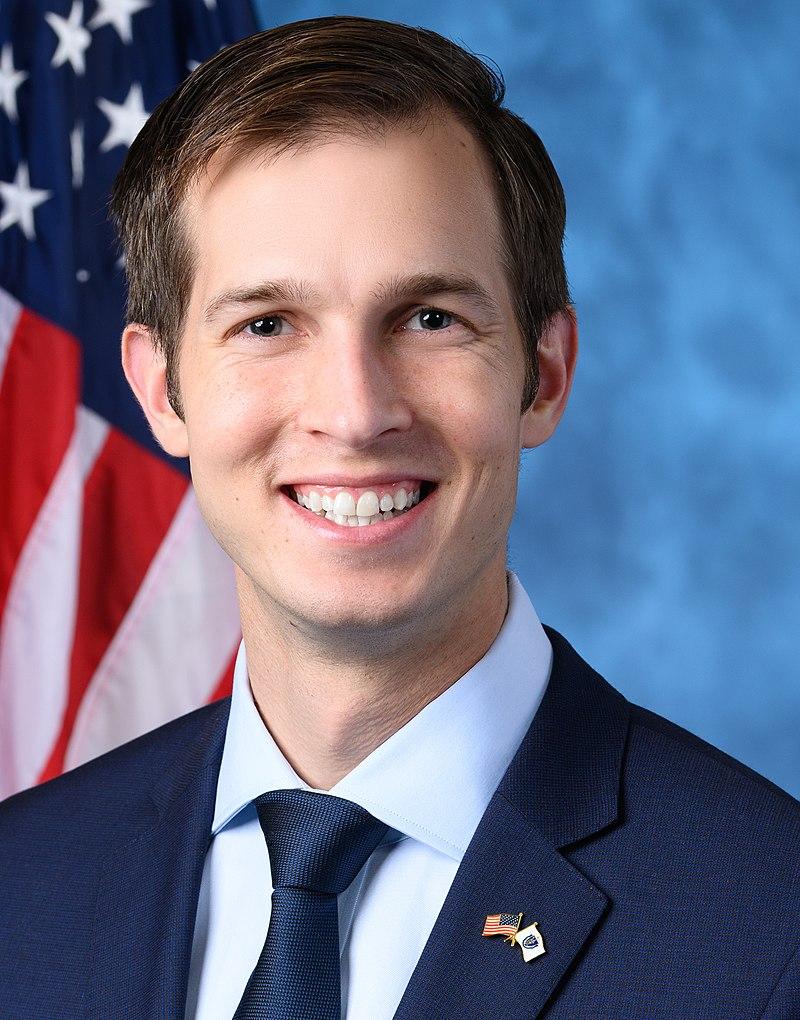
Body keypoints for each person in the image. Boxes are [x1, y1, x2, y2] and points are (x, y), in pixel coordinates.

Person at [1, 15, 798, 1019]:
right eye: (265, 325)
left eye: (428, 319)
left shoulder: (770, 928)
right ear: (160, 392)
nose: (355, 411)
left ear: (543, 374)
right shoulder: (18, 891)